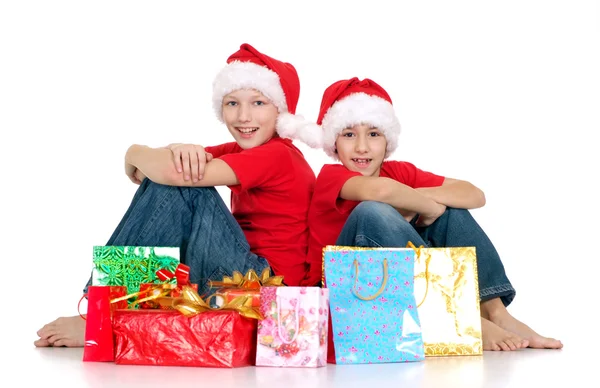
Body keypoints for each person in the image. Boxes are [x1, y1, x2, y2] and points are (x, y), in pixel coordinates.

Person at [34, 43, 321, 348]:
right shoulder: (245, 150)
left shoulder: (279, 156)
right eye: (232, 103)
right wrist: (152, 154)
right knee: (178, 181)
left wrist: (136, 152)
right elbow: (145, 173)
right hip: (242, 275)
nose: (243, 116)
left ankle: (100, 315)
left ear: (281, 111)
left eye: (259, 103)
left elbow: (166, 174)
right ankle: (112, 309)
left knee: (184, 186)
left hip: (265, 288)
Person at [302, 77, 562, 351]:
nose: (362, 147)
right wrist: (425, 207)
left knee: (452, 213)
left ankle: (495, 311)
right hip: (344, 286)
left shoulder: (399, 172)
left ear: (387, 139)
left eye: (374, 134)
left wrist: (425, 202)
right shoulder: (331, 176)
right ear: (334, 142)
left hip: (399, 285)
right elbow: (381, 192)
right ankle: (462, 315)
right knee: (372, 211)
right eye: (349, 134)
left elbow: (474, 194)